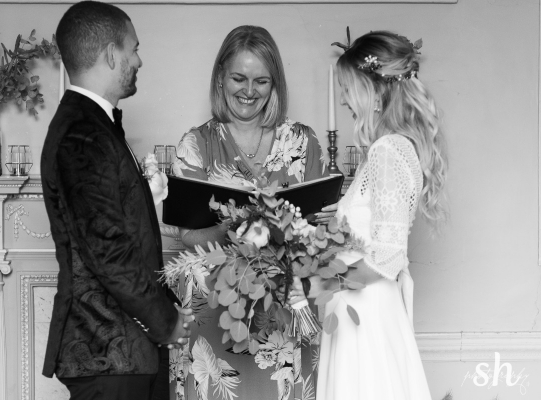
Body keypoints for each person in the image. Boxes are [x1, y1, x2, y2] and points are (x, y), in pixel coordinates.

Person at [40, 2, 193, 399]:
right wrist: (165, 322)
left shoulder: (93, 124)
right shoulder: (83, 133)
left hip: (124, 353)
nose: (139, 60)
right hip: (105, 353)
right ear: (112, 54)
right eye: (134, 48)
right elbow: (108, 250)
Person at [288, 30, 447, 399]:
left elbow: (387, 257)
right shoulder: (396, 147)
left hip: (366, 312)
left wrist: (319, 284)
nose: (344, 99)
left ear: (374, 91)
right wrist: (338, 223)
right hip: (366, 306)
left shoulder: (386, 151)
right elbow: (375, 232)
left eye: (348, 88)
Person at [173, 25, 329, 249]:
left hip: (291, 269)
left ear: (274, 83)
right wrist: (237, 227)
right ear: (220, 76)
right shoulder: (195, 145)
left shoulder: (302, 140)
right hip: (219, 270)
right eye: (239, 79)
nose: (248, 91)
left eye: (261, 81)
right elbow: (189, 236)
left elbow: (320, 226)